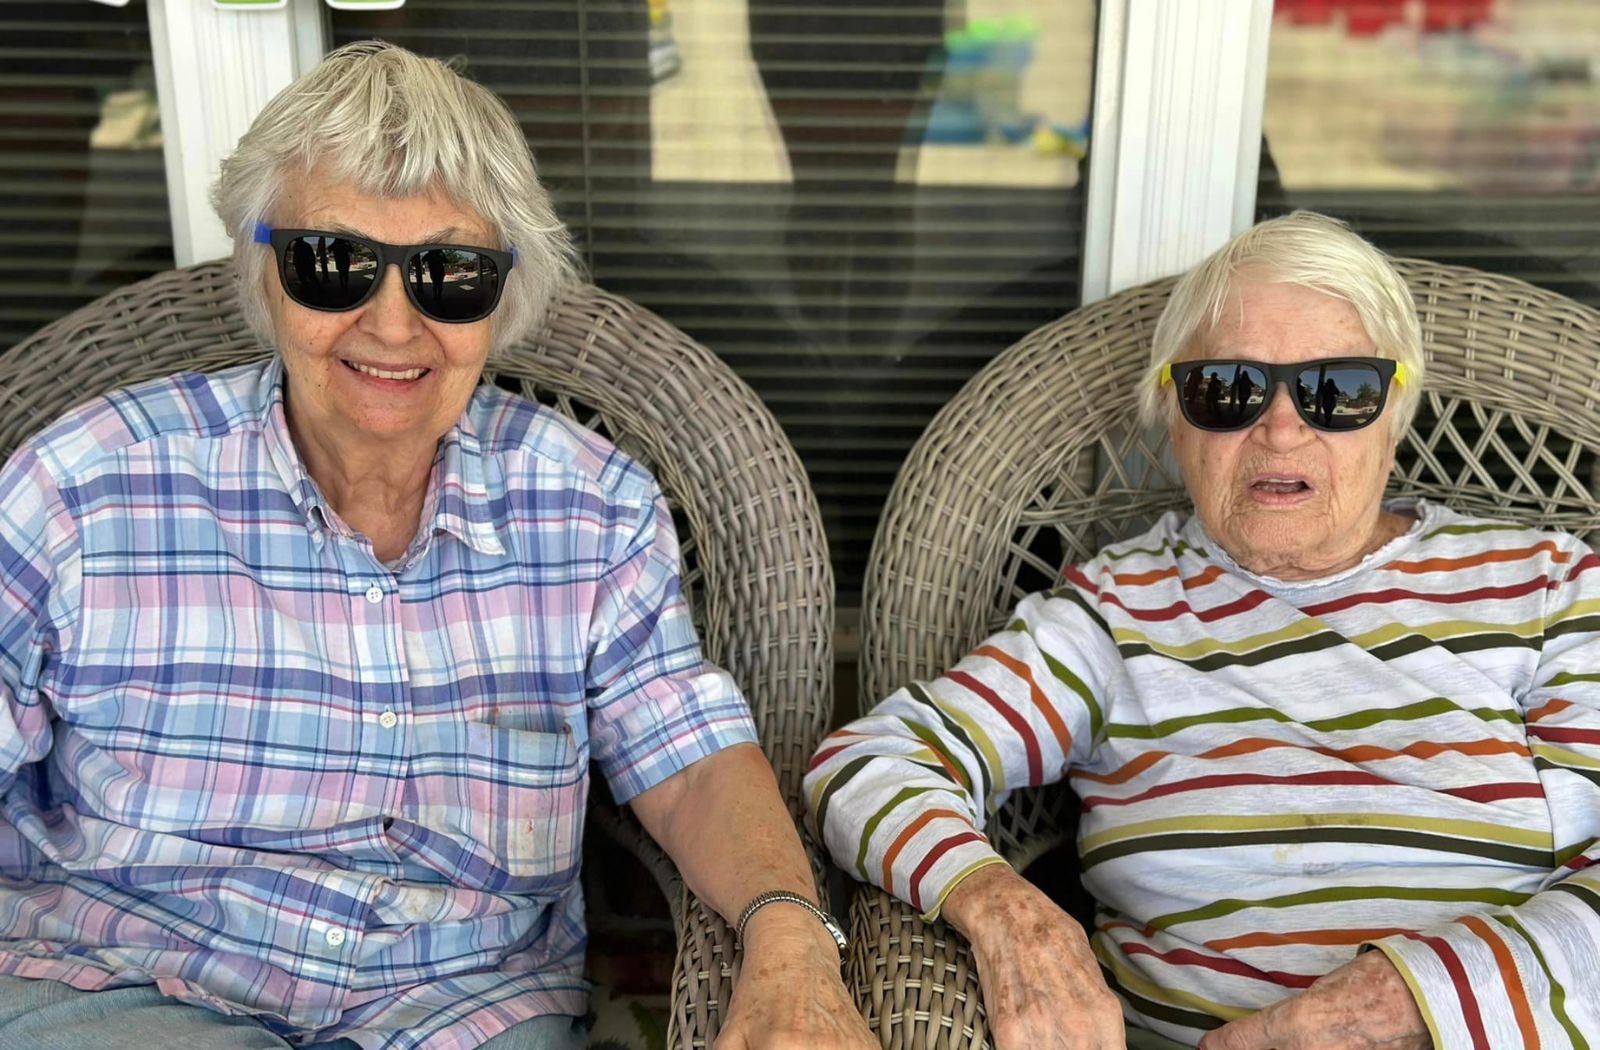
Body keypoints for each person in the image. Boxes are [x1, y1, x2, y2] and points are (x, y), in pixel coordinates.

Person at [0, 42, 872, 1050]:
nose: (391, 322)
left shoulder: (588, 504)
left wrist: (791, 941)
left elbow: (687, 759)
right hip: (125, 982)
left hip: (460, 1006)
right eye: (334, 265)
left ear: (504, 295)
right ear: (264, 272)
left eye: (448, 274)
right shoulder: (86, 483)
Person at [806, 211, 1600, 1050]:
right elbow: (867, 765)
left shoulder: (1548, 590)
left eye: (1338, 390)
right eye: (1228, 389)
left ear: (1394, 409)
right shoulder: (1119, 610)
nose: (1283, 427)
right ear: (1172, 417)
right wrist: (1007, 915)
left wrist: (1402, 1005)